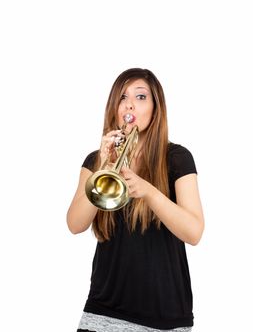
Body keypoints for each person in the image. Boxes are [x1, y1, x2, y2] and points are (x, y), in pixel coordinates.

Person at [67, 68, 204, 332]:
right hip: (103, 311)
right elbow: (74, 224)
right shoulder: (96, 160)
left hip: (165, 317)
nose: (129, 104)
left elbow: (194, 232)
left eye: (141, 97)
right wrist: (103, 165)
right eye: (122, 97)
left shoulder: (177, 158)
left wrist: (149, 192)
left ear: (156, 108)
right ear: (115, 107)